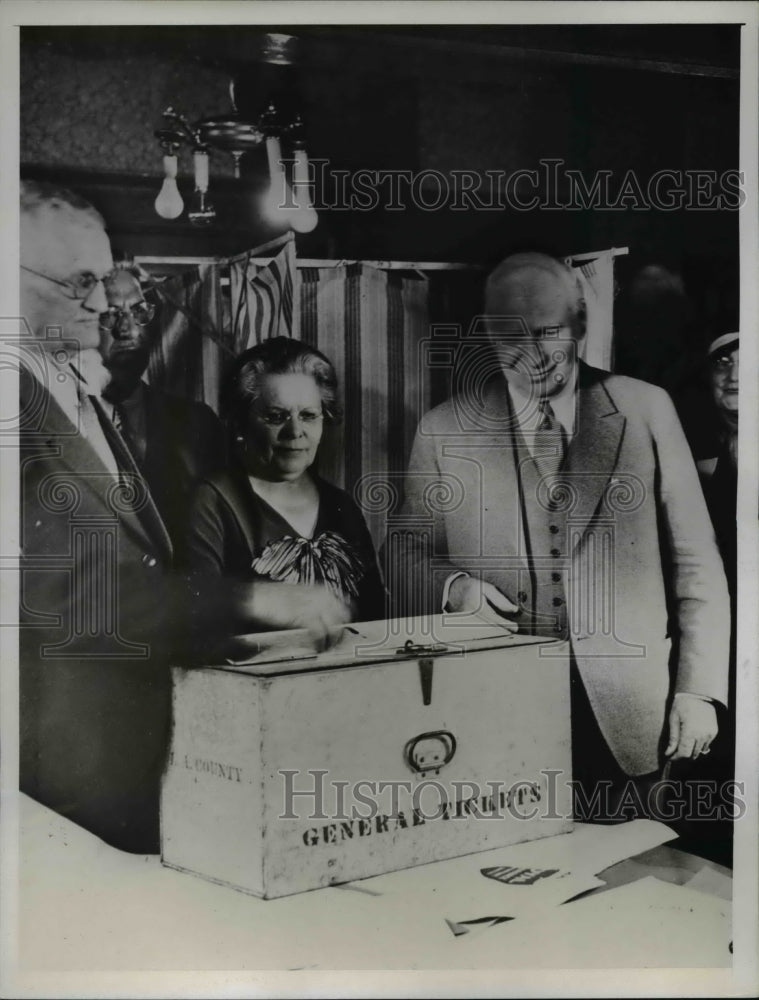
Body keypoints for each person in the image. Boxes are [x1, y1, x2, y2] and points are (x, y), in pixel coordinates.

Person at [18, 181, 350, 853]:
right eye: (81, 282)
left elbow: (138, 559)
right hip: (67, 763)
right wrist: (252, 599)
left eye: (104, 281)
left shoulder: (66, 387)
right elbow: (71, 594)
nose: (100, 304)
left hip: (125, 748)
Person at [389, 251, 730, 814]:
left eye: (549, 331)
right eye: (510, 335)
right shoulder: (444, 427)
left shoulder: (646, 410)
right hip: (493, 714)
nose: (534, 355)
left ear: (580, 324)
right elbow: (401, 551)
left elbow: (698, 565)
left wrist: (698, 690)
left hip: (627, 715)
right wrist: (456, 590)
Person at [183, 337, 386, 629]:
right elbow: (196, 616)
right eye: (276, 416)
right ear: (241, 423)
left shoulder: (341, 505)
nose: (295, 431)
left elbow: (377, 617)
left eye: (308, 416)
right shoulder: (212, 502)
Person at [99, 262, 226, 551]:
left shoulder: (198, 422)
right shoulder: (67, 424)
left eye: (138, 312)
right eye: (109, 315)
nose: (127, 328)